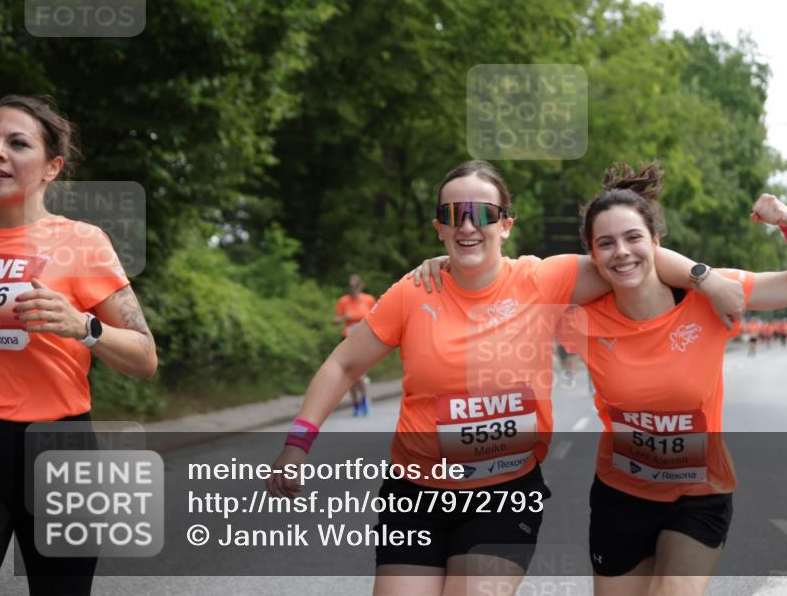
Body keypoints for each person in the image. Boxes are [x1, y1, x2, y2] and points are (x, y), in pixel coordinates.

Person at [267, 160, 745, 596]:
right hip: (415, 491)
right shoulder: (414, 291)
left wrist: (707, 277)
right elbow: (343, 365)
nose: (469, 224)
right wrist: (297, 442)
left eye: (483, 212)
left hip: (504, 493)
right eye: (454, 214)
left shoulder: (543, 280)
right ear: (440, 228)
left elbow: (631, 257)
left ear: (506, 225)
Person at [555, 162, 787, 596]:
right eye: (605, 243)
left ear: (657, 243)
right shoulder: (579, 320)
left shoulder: (712, 299)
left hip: (700, 493)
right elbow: (503, 285)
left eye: (633, 238)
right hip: (621, 495)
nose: (621, 251)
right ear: (592, 256)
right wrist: (447, 262)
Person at [0, 95, 157, 595]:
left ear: (52, 167)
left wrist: (83, 326)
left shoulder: (82, 242)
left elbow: (145, 357)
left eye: (17, 143)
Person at [333, 274, 376, 416]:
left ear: (361, 286)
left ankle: (364, 399)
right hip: (347, 339)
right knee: (349, 375)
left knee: (360, 374)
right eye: (351, 287)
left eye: (355, 287)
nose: (353, 290)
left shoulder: (368, 299)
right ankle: (355, 403)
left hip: (364, 340)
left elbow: (377, 318)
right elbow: (335, 320)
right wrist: (344, 318)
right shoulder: (343, 301)